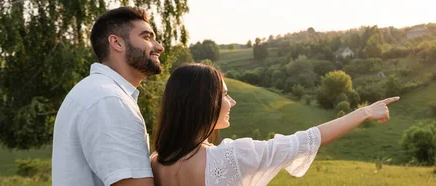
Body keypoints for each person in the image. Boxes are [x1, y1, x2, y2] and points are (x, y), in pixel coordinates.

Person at [150, 63, 400, 186]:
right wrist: (364, 112)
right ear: (204, 103)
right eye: (225, 95)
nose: (232, 101)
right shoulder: (231, 157)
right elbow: (308, 139)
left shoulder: (155, 161)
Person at [52, 6, 164, 186]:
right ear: (117, 43)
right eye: (146, 37)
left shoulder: (96, 91)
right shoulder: (109, 100)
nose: (159, 47)